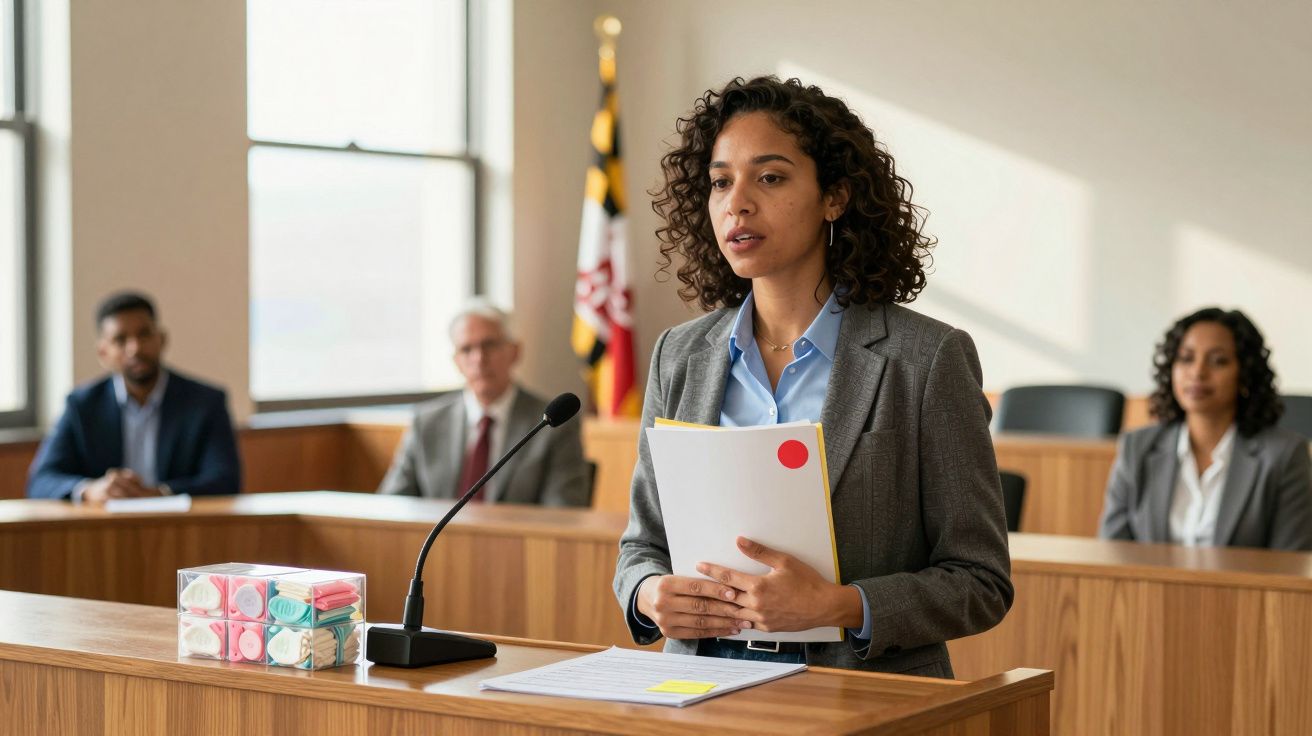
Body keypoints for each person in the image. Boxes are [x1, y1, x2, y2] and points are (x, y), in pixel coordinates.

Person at [612, 77, 1012, 678]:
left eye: (769, 178)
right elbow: (642, 545)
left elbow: (980, 581)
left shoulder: (926, 359)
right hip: (697, 688)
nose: (736, 203)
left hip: (861, 697)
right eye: (721, 182)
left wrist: (844, 606)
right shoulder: (680, 354)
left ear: (835, 197)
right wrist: (648, 594)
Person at [1098, 308, 1312, 549]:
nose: (1198, 373)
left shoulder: (1283, 456)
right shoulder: (1136, 448)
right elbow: (1112, 554)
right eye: (1186, 358)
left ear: (1245, 374)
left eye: (1218, 361)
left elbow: (1291, 566)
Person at [27, 291, 242, 501]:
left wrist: (160, 493)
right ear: (103, 353)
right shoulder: (82, 405)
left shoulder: (205, 402)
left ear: (162, 339)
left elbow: (226, 479)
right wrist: (91, 490)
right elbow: (41, 481)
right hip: (104, 530)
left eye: (144, 335)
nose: (135, 348)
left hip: (181, 530)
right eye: (121, 340)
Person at [378, 299, 590, 506]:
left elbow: (564, 514)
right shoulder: (426, 422)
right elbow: (393, 507)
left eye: (489, 345)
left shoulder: (553, 425)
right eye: (467, 349)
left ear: (515, 352)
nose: (479, 359)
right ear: (456, 361)